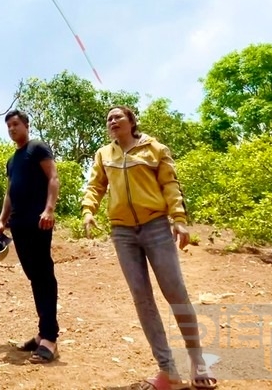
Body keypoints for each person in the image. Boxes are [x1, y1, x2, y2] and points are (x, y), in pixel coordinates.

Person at [81, 106, 217, 390]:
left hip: (156, 227)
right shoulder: (104, 155)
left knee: (175, 292)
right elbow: (95, 186)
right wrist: (88, 210)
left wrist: (179, 219)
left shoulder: (155, 149)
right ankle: (167, 369)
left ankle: (197, 359)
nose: (112, 121)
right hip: (122, 233)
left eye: (118, 116)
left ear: (131, 122)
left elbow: (170, 185)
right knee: (142, 299)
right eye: (109, 119)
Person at [0, 109, 60, 364]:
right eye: (9, 126)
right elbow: (10, 193)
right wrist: (1, 220)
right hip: (18, 224)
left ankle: (50, 340)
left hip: (39, 222)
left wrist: (49, 209)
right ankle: (43, 332)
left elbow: (53, 177)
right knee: (34, 277)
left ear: (26, 125)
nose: (12, 129)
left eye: (16, 124)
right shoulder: (13, 160)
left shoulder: (37, 147)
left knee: (44, 275)